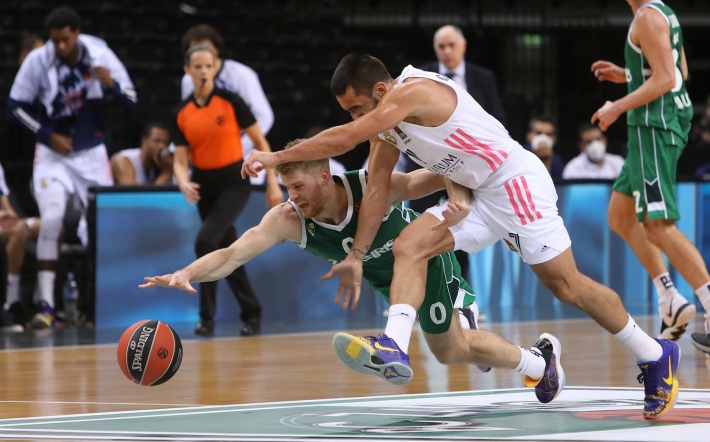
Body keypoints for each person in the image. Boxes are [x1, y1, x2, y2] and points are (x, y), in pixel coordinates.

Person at [242, 53, 680, 419]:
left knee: (566, 286)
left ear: (379, 90)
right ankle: (393, 344)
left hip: (513, 183)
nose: (356, 118)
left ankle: (654, 353)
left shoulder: (412, 92)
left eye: (358, 108)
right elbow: (376, 189)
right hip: (477, 194)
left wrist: (276, 156)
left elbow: (348, 138)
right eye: (349, 112)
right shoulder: (387, 125)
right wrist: (357, 255)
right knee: (409, 245)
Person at [141, 142, 565, 402]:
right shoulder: (288, 219)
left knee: (450, 348)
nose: (293, 197)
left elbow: (439, 174)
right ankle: (537, 361)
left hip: (425, 260)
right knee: (453, 351)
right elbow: (232, 255)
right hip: (391, 282)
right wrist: (187, 273)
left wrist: (461, 201)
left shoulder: (370, 186)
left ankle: (442, 326)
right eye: (288, 188)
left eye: (299, 187)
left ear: (325, 177)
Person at [7, 6, 137, 329]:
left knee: (99, 226)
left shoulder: (100, 53)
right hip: (52, 155)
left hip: (91, 153)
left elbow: (132, 99)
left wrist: (112, 85)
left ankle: (100, 304)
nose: (61, 47)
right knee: (51, 219)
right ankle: (46, 306)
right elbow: (15, 105)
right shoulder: (39, 60)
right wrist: (46, 135)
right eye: (55, 41)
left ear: (77, 34)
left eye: (66, 40)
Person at [591, 0, 709, 352]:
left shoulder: (647, 17)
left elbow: (668, 79)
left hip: (655, 127)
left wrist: (616, 106)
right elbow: (678, 71)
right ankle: (669, 298)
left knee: (658, 227)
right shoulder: (662, 12)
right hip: (653, 127)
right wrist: (627, 74)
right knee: (620, 215)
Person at [172, 44, 282, 337]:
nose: (204, 71)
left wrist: (272, 182)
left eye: (209, 66)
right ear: (187, 70)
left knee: (205, 240)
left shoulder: (231, 101)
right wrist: (183, 182)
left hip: (234, 180)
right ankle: (251, 311)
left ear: (215, 68)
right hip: (203, 184)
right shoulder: (181, 112)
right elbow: (180, 159)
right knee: (226, 249)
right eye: (198, 66)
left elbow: (261, 142)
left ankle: (206, 317)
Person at [410, 24, 508, 282]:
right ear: (435, 49)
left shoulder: (483, 78)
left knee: (462, 233)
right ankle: (423, 291)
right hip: (429, 165)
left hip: (470, 167)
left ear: (463, 46)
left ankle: (460, 292)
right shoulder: (422, 77)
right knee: (421, 231)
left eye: (452, 45)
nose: (447, 51)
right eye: (441, 46)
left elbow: (497, 120)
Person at [180, 24, 274, 186]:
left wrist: (237, 144)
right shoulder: (188, 81)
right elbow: (188, 120)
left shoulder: (242, 75)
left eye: (205, 47)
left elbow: (265, 116)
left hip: (243, 153)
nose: (201, 53)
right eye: (195, 48)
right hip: (205, 155)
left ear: (216, 49)